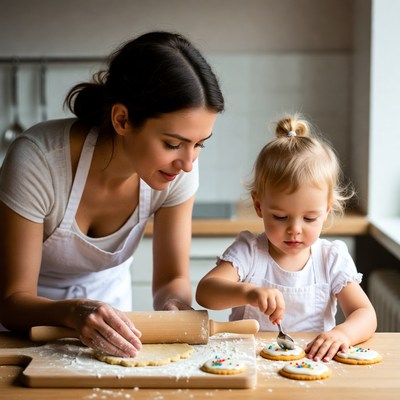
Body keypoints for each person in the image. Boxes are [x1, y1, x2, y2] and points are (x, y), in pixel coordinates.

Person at [0, 31, 224, 358]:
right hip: (21, 335)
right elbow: (12, 300)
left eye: (199, 144)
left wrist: (175, 305)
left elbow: (172, 278)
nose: (189, 163)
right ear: (122, 119)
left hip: (113, 329)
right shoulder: (38, 161)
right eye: (173, 144)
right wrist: (75, 311)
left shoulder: (177, 171)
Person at [196, 113, 377, 362]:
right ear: (259, 206)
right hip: (246, 363)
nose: (295, 229)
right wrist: (248, 292)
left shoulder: (330, 258)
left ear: (327, 209)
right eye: (280, 217)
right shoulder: (249, 251)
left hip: (311, 366)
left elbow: (364, 313)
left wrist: (342, 333)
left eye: (310, 218)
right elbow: (205, 293)